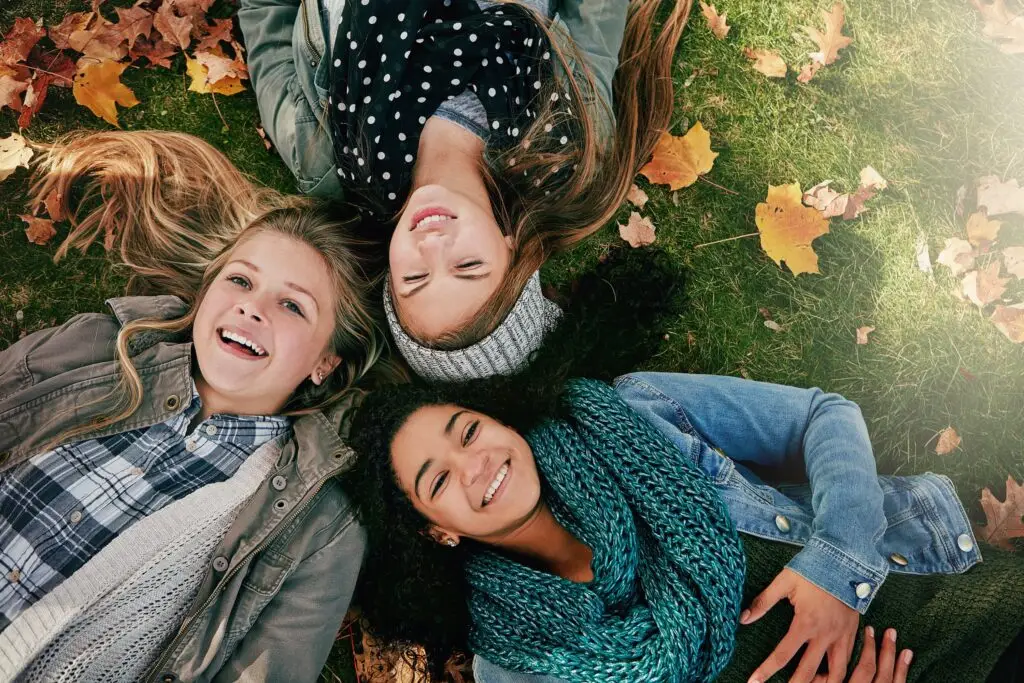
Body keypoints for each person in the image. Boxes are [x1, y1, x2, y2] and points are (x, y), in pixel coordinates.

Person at [0, 131, 386, 681]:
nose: (252, 308)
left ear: (325, 362)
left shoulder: (321, 529)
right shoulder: (93, 347)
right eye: (240, 280)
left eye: (292, 306)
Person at [344, 372, 1024, 683]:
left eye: (467, 430)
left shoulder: (631, 413)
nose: (475, 464)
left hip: (963, 606)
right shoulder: (516, 663)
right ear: (438, 532)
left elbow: (825, 414)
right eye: (437, 481)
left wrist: (838, 564)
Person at [239, 0, 692, 380]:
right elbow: (595, 16)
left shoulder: (325, 154)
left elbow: (265, 13)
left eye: (414, 279)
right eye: (468, 265)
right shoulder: (565, 145)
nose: (433, 246)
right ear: (512, 248)